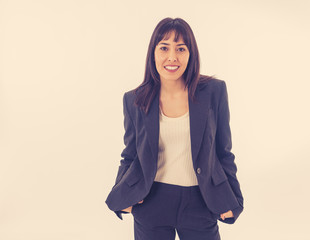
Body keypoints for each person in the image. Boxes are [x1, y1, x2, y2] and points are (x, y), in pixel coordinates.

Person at [105, 17, 244, 240]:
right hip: (152, 201)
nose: (172, 57)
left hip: (200, 201)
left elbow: (223, 151)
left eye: (181, 48)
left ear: (191, 54)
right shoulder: (134, 100)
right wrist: (123, 198)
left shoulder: (213, 92)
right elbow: (130, 155)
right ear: (153, 53)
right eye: (164, 48)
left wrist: (235, 201)